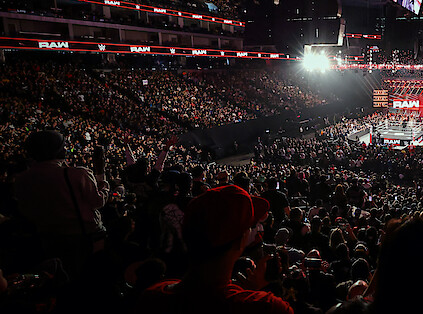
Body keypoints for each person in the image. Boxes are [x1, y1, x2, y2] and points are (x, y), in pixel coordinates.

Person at [136, 185, 293, 314]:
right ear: (240, 242)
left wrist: (244, 291)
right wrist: (259, 292)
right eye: (250, 227)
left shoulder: (151, 296)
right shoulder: (268, 307)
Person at [13, 130, 109, 277]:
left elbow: (26, 211)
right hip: (84, 238)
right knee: (88, 277)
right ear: (56, 149)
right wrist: (101, 173)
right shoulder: (77, 174)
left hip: (48, 239)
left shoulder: (22, 179)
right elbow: (98, 201)